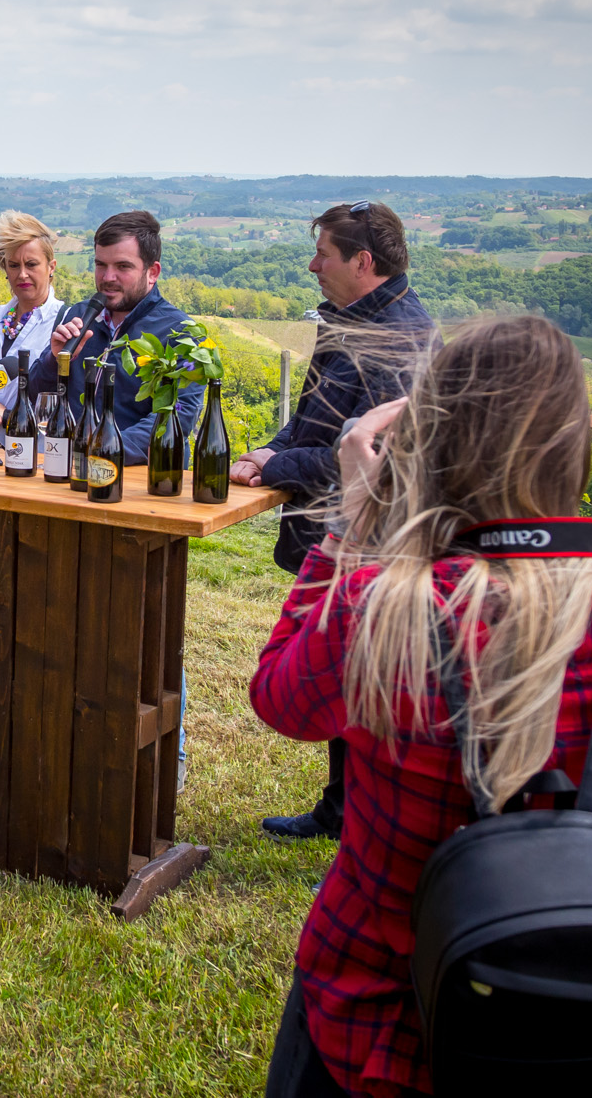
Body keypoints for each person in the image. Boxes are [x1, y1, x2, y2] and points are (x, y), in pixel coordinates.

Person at [253, 315, 592, 1097]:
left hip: (379, 1024)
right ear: (574, 450)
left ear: (435, 445)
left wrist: (353, 520)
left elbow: (280, 700)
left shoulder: (382, 610)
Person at [235, 201, 438, 843]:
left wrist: (279, 465)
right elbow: (313, 418)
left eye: (324, 254)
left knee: (367, 675)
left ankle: (362, 815)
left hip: (379, 539)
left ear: (363, 261)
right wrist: (271, 450)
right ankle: (343, 807)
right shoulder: (350, 320)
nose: (313, 265)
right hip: (340, 528)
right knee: (350, 670)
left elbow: (377, 458)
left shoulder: (400, 339)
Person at [44, 210, 204, 465]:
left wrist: (104, 448)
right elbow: (38, 395)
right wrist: (55, 359)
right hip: (72, 471)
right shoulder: (79, 315)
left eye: (123, 267)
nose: (108, 278)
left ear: (153, 272)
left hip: (141, 479)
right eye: (101, 265)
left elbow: (179, 416)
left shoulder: (181, 333)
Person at [0, 211, 67, 427]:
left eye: (31, 264)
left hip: (36, 445)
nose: (22, 274)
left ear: (51, 267)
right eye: (13, 265)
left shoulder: (64, 322)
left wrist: (6, 415)